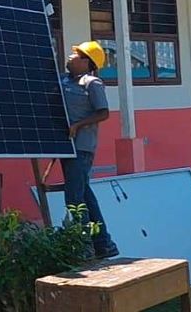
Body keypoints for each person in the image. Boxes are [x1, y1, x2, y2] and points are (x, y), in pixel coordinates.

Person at [60, 41, 119, 259]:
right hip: (66, 146)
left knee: (74, 197)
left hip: (81, 147)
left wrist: (78, 125)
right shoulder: (64, 79)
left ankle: (84, 246)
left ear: (87, 62)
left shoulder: (92, 83)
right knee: (84, 193)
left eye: (76, 55)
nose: (70, 56)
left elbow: (103, 113)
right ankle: (104, 244)